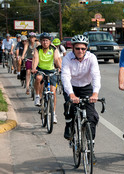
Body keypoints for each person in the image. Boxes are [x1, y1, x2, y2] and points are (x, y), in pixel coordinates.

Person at [61, 35, 101, 163]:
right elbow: (65, 77)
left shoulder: (92, 58)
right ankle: (69, 125)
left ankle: (91, 149)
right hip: (71, 86)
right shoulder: (67, 58)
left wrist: (95, 93)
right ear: (72, 48)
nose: (80, 51)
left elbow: (96, 76)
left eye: (83, 49)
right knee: (70, 106)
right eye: (77, 48)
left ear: (86, 48)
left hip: (86, 88)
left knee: (91, 117)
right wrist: (71, 95)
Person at [32, 32, 61, 124]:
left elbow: (56, 59)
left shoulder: (53, 49)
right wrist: (33, 68)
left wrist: (60, 67)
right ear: (40, 41)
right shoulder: (37, 49)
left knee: (53, 92)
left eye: (47, 40)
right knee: (38, 78)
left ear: (49, 41)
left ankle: (53, 114)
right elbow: (36, 59)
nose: (45, 42)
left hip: (51, 70)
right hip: (40, 69)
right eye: (43, 40)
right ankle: (37, 96)